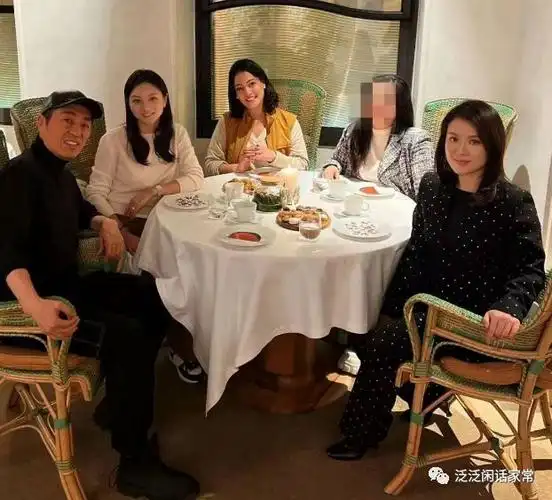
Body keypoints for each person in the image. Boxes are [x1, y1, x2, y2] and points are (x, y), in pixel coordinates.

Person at [0, 90, 201, 499]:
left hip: (67, 285)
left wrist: (105, 223)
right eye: (67, 121)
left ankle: (120, 404)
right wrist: (34, 305)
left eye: (84, 125)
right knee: (126, 335)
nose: (77, 131)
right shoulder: (20, 176)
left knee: (155, 293)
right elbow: (5, 251)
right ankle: (134, 463)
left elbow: (81, 212)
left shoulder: (59, 173)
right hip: (34, 311)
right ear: (41, 123)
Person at [326, 100, 545, 461]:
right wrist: (388, 308)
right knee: (364, 323)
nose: (460, 150)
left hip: (473, 319)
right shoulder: (432, 187)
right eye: (453, 139)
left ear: (492, 145)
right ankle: (425, 395)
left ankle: (360, 434)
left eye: (474, 141)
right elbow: (416, 255)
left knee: (384, 342)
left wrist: (509, 307)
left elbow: (531, 268)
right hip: (427, 305)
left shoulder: (513, 201)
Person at [86, 69, 205, 384]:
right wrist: (117, 229)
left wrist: (154, 191)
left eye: (153, 98)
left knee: (200, 260)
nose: (146, 107)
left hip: (168, 217)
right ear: (128, 104)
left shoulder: (176, 134)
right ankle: (179, 347)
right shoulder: (114, 140)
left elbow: (196, 178)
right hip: (127, 219)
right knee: (175, 270)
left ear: (165, 100)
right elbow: (95, 191)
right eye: (136, 100)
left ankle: (193, 337)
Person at [323, 75, 435, 377]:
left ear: (400, 105)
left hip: (392, 219)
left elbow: (427, 188)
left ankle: (361, 338)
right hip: (351, 212)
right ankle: (333, 321)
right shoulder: (355, 130)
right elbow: (336, 160)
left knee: (366, 266)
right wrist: (332, 167)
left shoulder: (414, 139)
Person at [204, 58, 309, 176]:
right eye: (240, 88)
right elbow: (210, 164)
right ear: (236, 94)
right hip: (240, 186)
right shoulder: (227, 122)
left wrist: (274, 157)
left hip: (279, 185)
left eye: (251, 84)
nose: (247, 92)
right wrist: (236, 168)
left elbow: (303, 165)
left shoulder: (289, 121)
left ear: (263, 83)